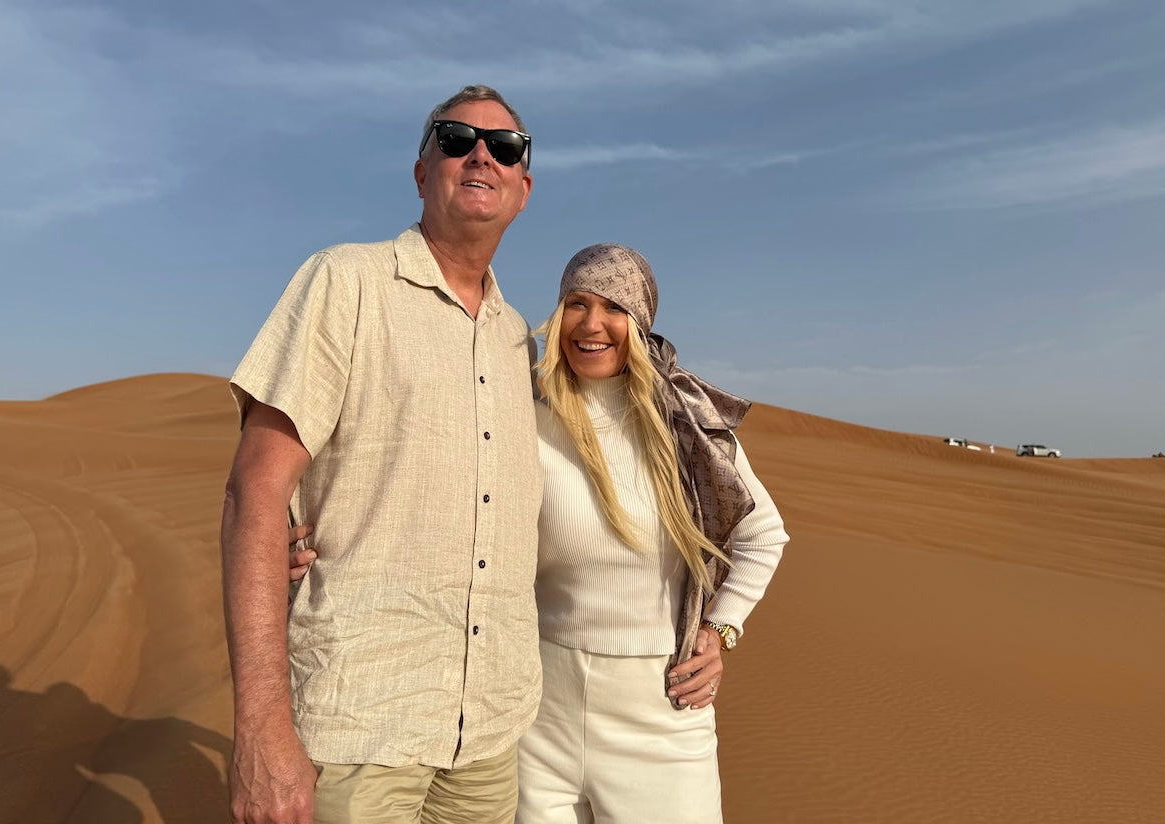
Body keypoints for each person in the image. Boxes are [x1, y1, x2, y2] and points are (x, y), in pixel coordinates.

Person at [290, 244, 790, 823]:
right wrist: (294, 534)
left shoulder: (686, 427)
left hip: (661, 714)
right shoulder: (518, 416)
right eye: (577, 303)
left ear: (641, 323)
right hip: (534, 718)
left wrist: (719, 629)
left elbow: (762, 535)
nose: (592, 323)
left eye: (614, 307)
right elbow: (414, 473)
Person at [222, 85, 541, 824]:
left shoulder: (518, 339)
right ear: (423, 172)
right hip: (361, 724)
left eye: (505, 147)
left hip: (489, 736)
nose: (481, 156)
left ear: (524, 189)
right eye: (456, 139)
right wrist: (261, 729)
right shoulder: (346, 281)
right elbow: (255, 493)